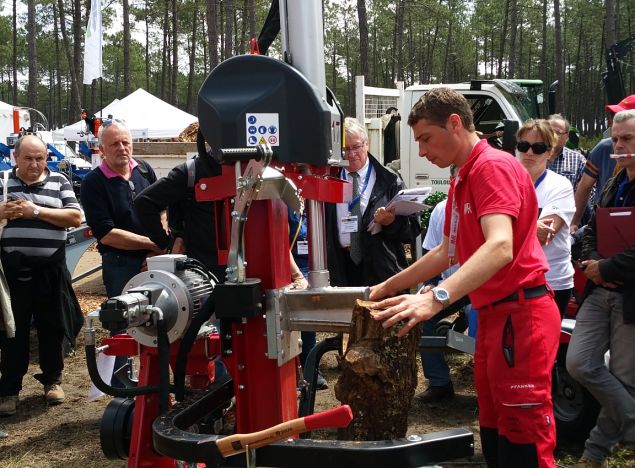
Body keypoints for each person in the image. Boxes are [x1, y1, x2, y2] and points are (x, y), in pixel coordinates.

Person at [369, 88, 561, 467]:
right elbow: (447, 251)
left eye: (426, 138)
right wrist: (386, 287)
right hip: (492, 316)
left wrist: (436, 298)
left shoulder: (492, 167)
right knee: (493, 431)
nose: (422, 152)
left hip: (521, 317)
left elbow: (500, 246)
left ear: (454, 124)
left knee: (523, 437)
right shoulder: (462, 177)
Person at [566, 109, 635, 468]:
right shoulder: (614, 181)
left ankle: (593, 455)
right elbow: (592, 226)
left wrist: (605, 267)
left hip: (629, 295)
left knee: (625, 379)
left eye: (627, 140)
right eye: (615, 139)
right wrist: (592, 264)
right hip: (599, 288)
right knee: (578, 363)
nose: (618, 146)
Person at [0, 135, 83, 416]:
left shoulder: (59, 181)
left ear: (47, 158)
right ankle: (10, 390)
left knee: (53, 326)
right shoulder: (2, 182)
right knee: (13, 331)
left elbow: (74, 217)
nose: (35, 164)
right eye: (28, 158)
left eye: (40, 158)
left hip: (50, 270)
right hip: (13, 271)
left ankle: (53, 381)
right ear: (16, 158)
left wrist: (34, 211)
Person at [325, 117, 420, 287]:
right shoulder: (328, 180)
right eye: (345, 149)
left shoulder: (389, 180)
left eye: (356, 147)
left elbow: (413, 230)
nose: (351, 154)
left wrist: (391, 222)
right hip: (340, 270)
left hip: (380, 270)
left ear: (366, 145)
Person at [81, 119, 163, 299]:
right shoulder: (93, 183)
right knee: (126, 321)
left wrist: (155, 252)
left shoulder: (143, 169)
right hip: (121, 265)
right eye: (114, 144)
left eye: (125, 142)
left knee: (162, 316)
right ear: (102, 149)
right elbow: (107, 234)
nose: (122, 148)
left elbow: (162, 208)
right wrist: (155, 244)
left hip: (154, 257)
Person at [134, 153, 225, 281]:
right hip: (203, 273)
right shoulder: (191, 171)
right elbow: (144, 203)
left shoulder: (256, 165)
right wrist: (167, 245)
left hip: (250, 266)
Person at [517, 119, 575, 316]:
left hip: (552, 282)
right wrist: (532, 227)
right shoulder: (506, 182)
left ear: (550, 152)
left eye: (538, 147)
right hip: (512, 280)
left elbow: (544, 236)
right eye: (523, 145)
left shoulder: (560, 185)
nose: (529, 152)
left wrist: (502, 229)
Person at [571, 95, 635, 233]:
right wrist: (573, 224)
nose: (613, 121)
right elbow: (585, 186)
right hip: (605, 227)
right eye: (613, 115)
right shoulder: (604, 147)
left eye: (626, 138)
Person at [547, 114, 587, 191]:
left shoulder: (578, 160)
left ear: (567, 136)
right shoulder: (533, 156)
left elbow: (589, 190)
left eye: (558, 133)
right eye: (549, 132)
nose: (553, 136)